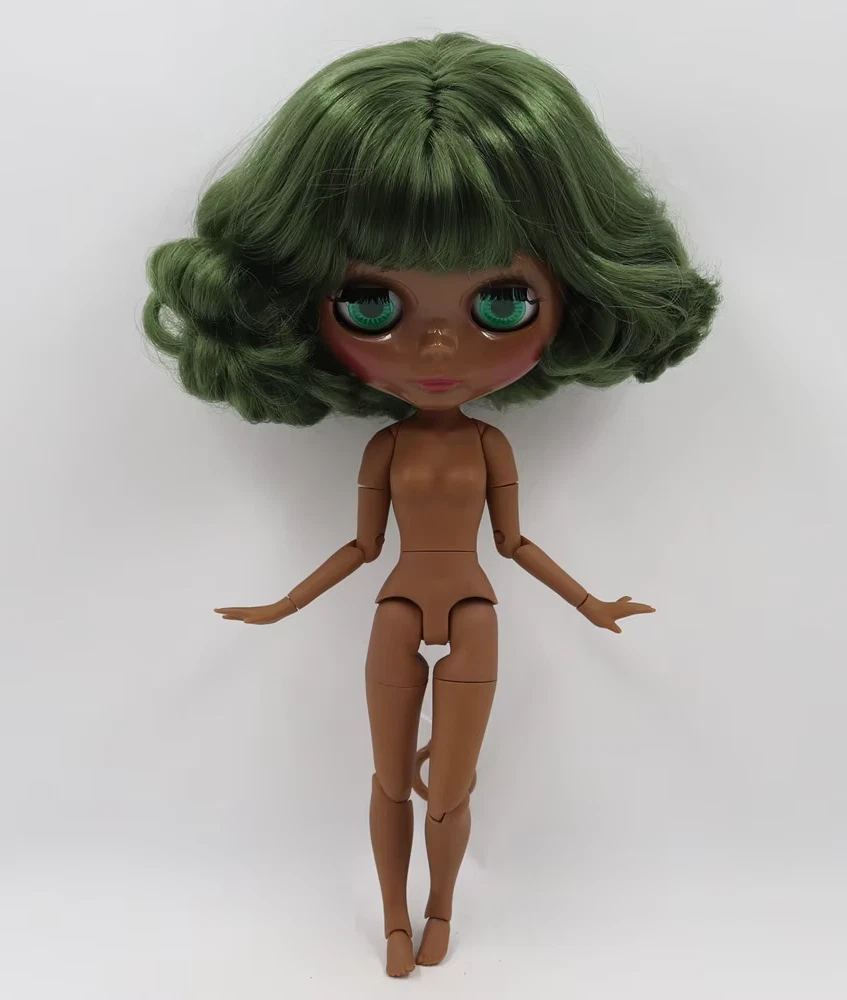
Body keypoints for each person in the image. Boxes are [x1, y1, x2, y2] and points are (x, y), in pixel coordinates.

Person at [143, 31, 719, 977]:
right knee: (388, 782)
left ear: (577, 290)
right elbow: (362, 547)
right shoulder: (389, 447)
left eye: (502, 303)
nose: (439, 348)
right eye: (372, 304)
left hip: (474, 611)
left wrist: (591, 603)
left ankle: (442, 906)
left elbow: (514, 542)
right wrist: (281, 604)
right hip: (399, 606)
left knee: (447, 789)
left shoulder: (488, 446)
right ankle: (393, 922)